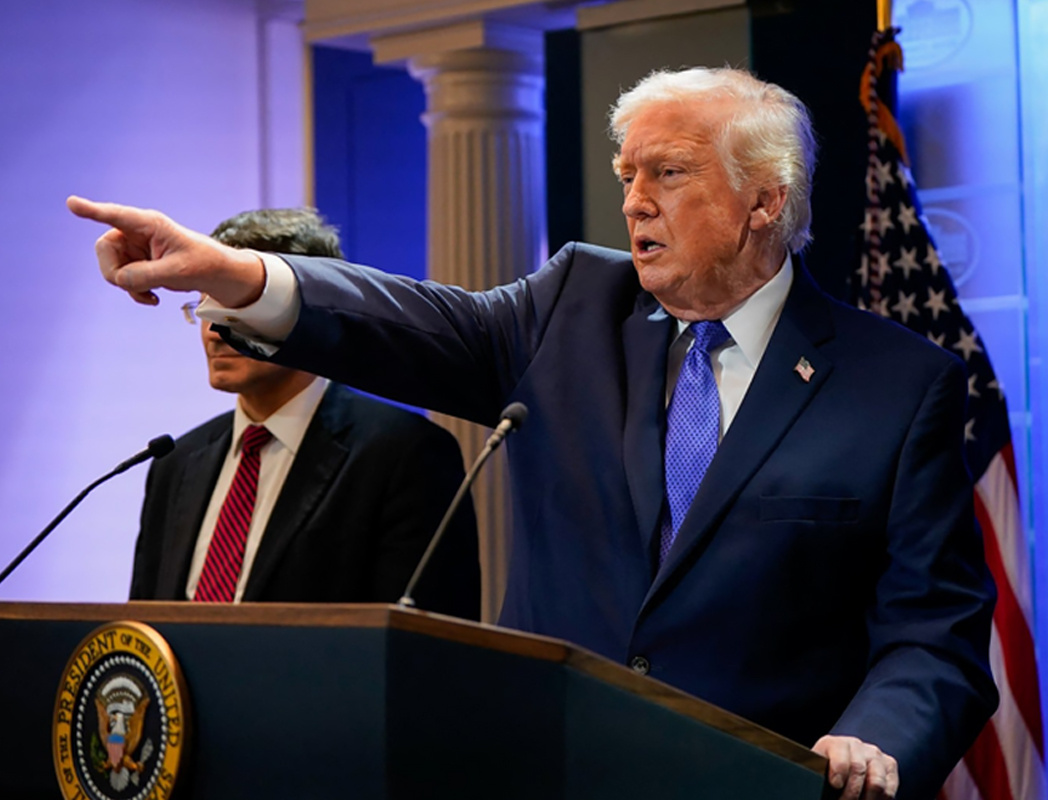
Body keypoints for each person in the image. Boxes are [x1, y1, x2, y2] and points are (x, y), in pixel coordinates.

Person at [70, 67, 996, 800]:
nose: (635, 200)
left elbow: (933, 633)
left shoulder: (898, 385)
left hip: (760, 782)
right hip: (550, 768)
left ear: (765, 200)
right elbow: (411, 320)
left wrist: (877, 738)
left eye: (668, 173)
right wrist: (233, 272)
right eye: (627, 174)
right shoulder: (572, 306)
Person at [129, 208, 480, 619]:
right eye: (202, 304)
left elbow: (422, 649)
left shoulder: (404, 455)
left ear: (302, 311)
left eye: (232, 303)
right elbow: (143, 636)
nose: (211, 329)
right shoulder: (176, 461)